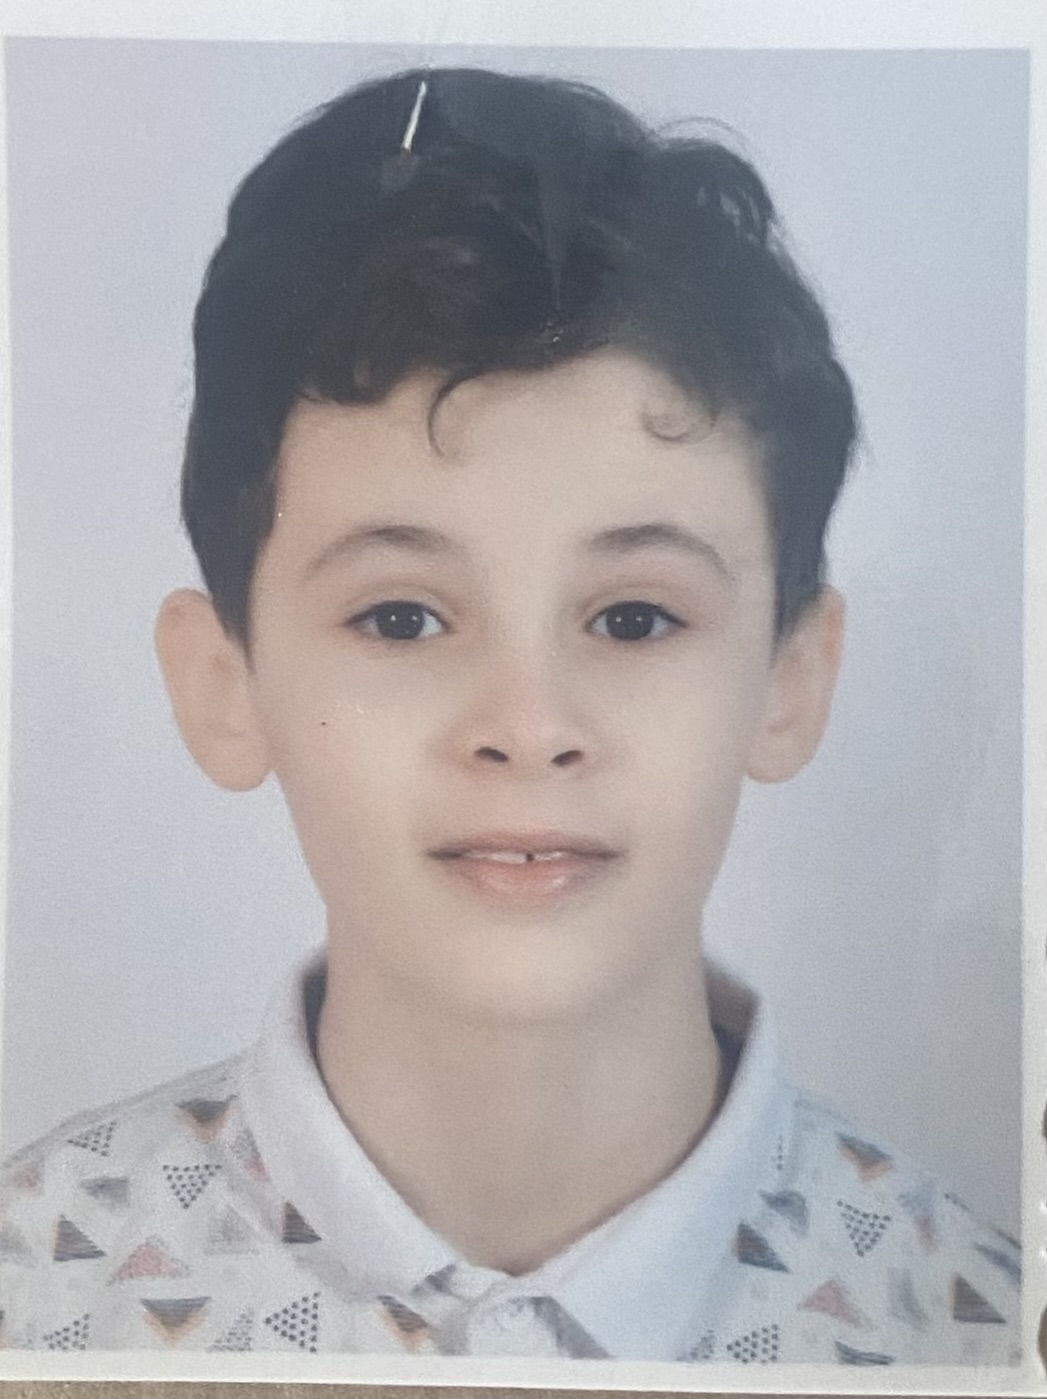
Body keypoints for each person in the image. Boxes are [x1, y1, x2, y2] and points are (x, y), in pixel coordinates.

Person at [0, 66, 1022, 1365]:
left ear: (791, 679)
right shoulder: (37, 1297)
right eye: (402, 617)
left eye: (635, 618)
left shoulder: (973, 1330)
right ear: (224, 685)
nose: (529, 726)